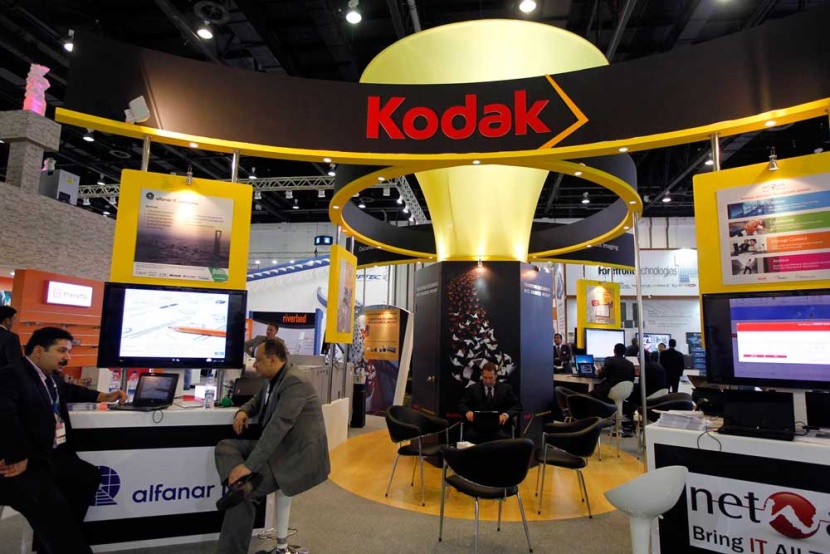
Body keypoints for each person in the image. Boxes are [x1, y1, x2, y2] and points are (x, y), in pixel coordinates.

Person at [0, 327, 128, 554]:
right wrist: (18, 456)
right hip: (23, 465)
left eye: (69, 351)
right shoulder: (10, 376)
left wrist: (102, 396)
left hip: (51, 457)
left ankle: (52, 544)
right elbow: (4, 416)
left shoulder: (50, 378)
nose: (68, 357)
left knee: (87, 477)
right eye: (61, 351)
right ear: (38, 351)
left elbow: (69, 390)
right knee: (52, 508)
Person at [215, 338, 330, 554]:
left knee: (244, 498)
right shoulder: (272, 378)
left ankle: (242, 492)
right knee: (225, 447)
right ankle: (240, 486)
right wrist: (243, 411)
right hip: (275, 451)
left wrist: (249, 466)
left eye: (259, 360)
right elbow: (257, 400)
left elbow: (278, 426)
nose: (255, 365)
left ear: (273, 359)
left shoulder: (294, 382)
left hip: (294, 457)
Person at [458, 362, 522, 443]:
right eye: (485, 377)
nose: (487, 381)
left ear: (496, 376)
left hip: (499, 426)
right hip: (477, 426)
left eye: (491, 378)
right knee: (470, 435)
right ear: (482, 375)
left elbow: (518, 405)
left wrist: (506, 414)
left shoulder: (505, 389)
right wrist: (467, 411)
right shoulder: (473, 389)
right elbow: (461, 404)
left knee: (501, 437)